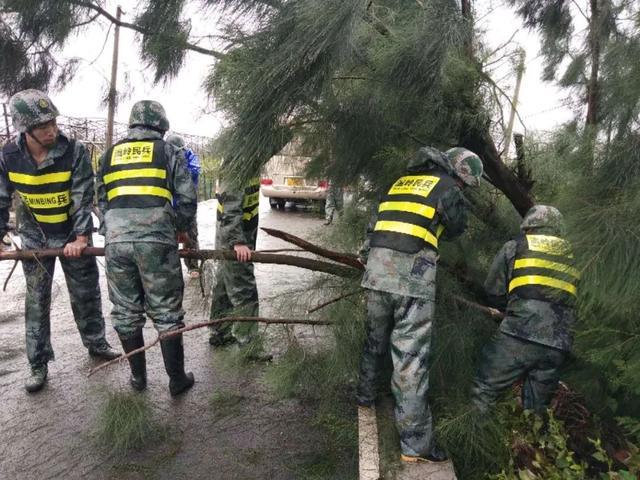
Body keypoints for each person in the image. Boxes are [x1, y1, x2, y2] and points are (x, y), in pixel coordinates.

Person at [356, 146, 484, 463]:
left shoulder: (400, 182)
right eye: (466, 183)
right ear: (460, 173)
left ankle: (364, 395)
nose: (464, 189)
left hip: (375, 272)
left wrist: (369, 262)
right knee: (410, 363)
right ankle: (415, 446)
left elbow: (373, 227)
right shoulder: (448, 188)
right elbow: (456, 228)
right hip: (411, 280)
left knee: (374, 339)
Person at [0, 89, 120, 393]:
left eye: (53, 122)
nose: (51, 130)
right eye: (43, 126)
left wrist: (81, 236)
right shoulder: (8, 156)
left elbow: (82, 196)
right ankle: (38, 364)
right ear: (25, 129)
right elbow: (0, 198)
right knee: (36, 300)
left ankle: (96, 343)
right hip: (34, 235)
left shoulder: (74, 151)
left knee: (85, 291)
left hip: (70, 233)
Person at [96, 100, 197, 396]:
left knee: (125, 311)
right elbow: (187, 197)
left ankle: (138, 379)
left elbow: (101, 198)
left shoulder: (108, 155)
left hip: (116, 242)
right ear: (161, 126)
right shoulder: (169, 152)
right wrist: (178, 227)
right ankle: (176, 380)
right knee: (166, 311)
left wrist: (111, 228)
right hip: (156, 241)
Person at [471, 205, 577, 414]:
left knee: (485, 388)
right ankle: (533, 443)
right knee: (536, 409)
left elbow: (493, 290)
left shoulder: (516, 246)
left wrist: (509, 310)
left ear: (529, 226)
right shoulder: (575, 253)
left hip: (520, 333)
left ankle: (474, 441)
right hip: (559, 342)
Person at [208, 172, 269, 358]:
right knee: (244, 288)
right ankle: (248, 343)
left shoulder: (248, 159)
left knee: (225, 282)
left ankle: (220, 330)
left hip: (235, 233)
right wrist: (238, 241)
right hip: (235, 236)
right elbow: (231, 206)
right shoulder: (241, 161)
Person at [166, 134, 201, 278]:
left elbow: (192, 174)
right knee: (167, 238)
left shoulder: (189, 158)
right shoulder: (162, 157)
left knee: (190, 236)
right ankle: (168, 268)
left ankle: (193, 266)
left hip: (185, 205)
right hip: (168, 205)